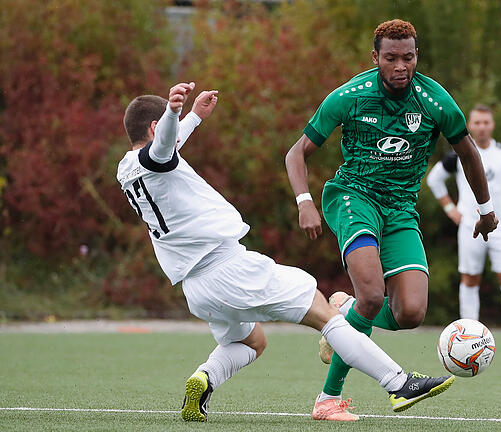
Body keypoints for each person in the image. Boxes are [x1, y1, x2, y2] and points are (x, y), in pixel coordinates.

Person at [118, 81, 455, 423]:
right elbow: (162, 148)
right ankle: (397, 382)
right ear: (157, 127)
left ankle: (205, 379)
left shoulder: (126, 168)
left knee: (252, 342)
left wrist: (192, 117)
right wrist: (175, 112)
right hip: (228, 268)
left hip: (196, 288)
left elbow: (163, 149)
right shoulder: (159, 154)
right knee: (326, 314)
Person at [285, 19, 498, 421]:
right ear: (375, 58)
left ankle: (344, 315)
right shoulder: (350, 96)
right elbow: (296, 154)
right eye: (391, 58)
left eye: (409, 57)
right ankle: (328, 400)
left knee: (411, 313)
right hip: (354, 198)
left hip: (400, 209)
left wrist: (486, 212)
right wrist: (304, 201)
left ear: (417, 56)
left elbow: (469, 154)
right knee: (371, 296)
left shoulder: (435, 101)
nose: (401, 66)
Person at [426, 104, 501, 352]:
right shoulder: (459, 154)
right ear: (470, 124)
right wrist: (450, 209)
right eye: (476, 122)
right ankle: (470, 336)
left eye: (486, 122)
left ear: (492, 124)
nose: (481, 127)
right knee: (470, 279)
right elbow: (434, 179)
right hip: (469, 228)